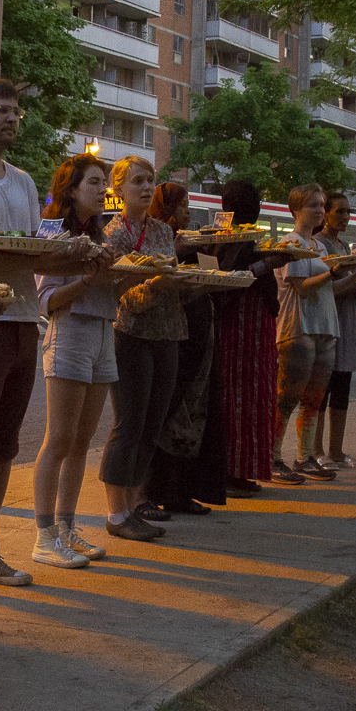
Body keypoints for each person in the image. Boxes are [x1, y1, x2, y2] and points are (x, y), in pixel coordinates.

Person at [0, 81, 111, 596]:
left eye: (17, 112)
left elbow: (35, 250)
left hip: (22, 318)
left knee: (3, 445)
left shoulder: (25, 181)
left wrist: (77, 254)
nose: (11, 119)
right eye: (1, 110)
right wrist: (51, 256)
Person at [31, 152, 125, 563]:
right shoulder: (53, 233)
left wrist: (124, 277)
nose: (104, 190)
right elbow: (47, 300)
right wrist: (88, 279)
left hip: (104, 331)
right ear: (70, 190)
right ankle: (44, 536)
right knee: (59, 439)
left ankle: (67, 529)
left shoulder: (102, 235)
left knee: (82, 442)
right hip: (70, 333)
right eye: (94, 182)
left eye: (105, 182)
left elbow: (111, 289)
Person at [99, 156, 190, 527]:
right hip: (131, 334)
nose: (146, 187)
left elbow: (173, 284)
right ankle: (116, 511)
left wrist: (193, 285)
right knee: (129, 425)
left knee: (153, 425)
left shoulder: (163, 232)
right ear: (118, 188)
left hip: (168, 332)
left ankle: (134, 504)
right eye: (137, 180)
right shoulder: (112, 234)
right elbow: (124, 297)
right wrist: (158, 284)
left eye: (150, 180)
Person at [142, 182, 224, 513]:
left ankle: (178, 491)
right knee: (165, 413)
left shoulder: (193, 240)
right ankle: (148, 492)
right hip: (171, 333)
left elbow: (212, 275)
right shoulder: (157, 239)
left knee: (192, 411)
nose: (188, 212)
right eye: (183, 205)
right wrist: (176, 250)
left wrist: (210, 252)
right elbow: (147, 281)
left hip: (197, 330)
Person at [212, 179, 294, 490]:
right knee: (243, 397)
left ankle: (240, 470)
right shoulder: (236, 237)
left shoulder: (226, 234)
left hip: (245, 327)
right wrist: (265, 265)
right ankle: (235, 470)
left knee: (246, 397)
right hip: (242, 325)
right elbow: (232, 276)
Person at [272, 183, 339, 483]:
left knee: (314, 398)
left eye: (322, 205)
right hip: (298, 327)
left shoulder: (319, 246)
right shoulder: (292, 244)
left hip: (324, 327)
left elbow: (329, 287)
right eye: (313, 205)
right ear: (295, 210)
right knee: (287, 397)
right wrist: (332, 273)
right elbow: (301, 288)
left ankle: (305, 457)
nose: (320, 211)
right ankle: (273, 458)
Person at [308, 192, 356, 469]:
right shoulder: (319, 244)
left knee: (342, 387)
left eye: (348, 212)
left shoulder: (343, 245)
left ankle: (336, 450)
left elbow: (348, 286)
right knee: (321, 389)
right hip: (327, 323)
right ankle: (316, 450)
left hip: (347, 322)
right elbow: (326, 288)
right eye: (340, 211)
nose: (345, 217)